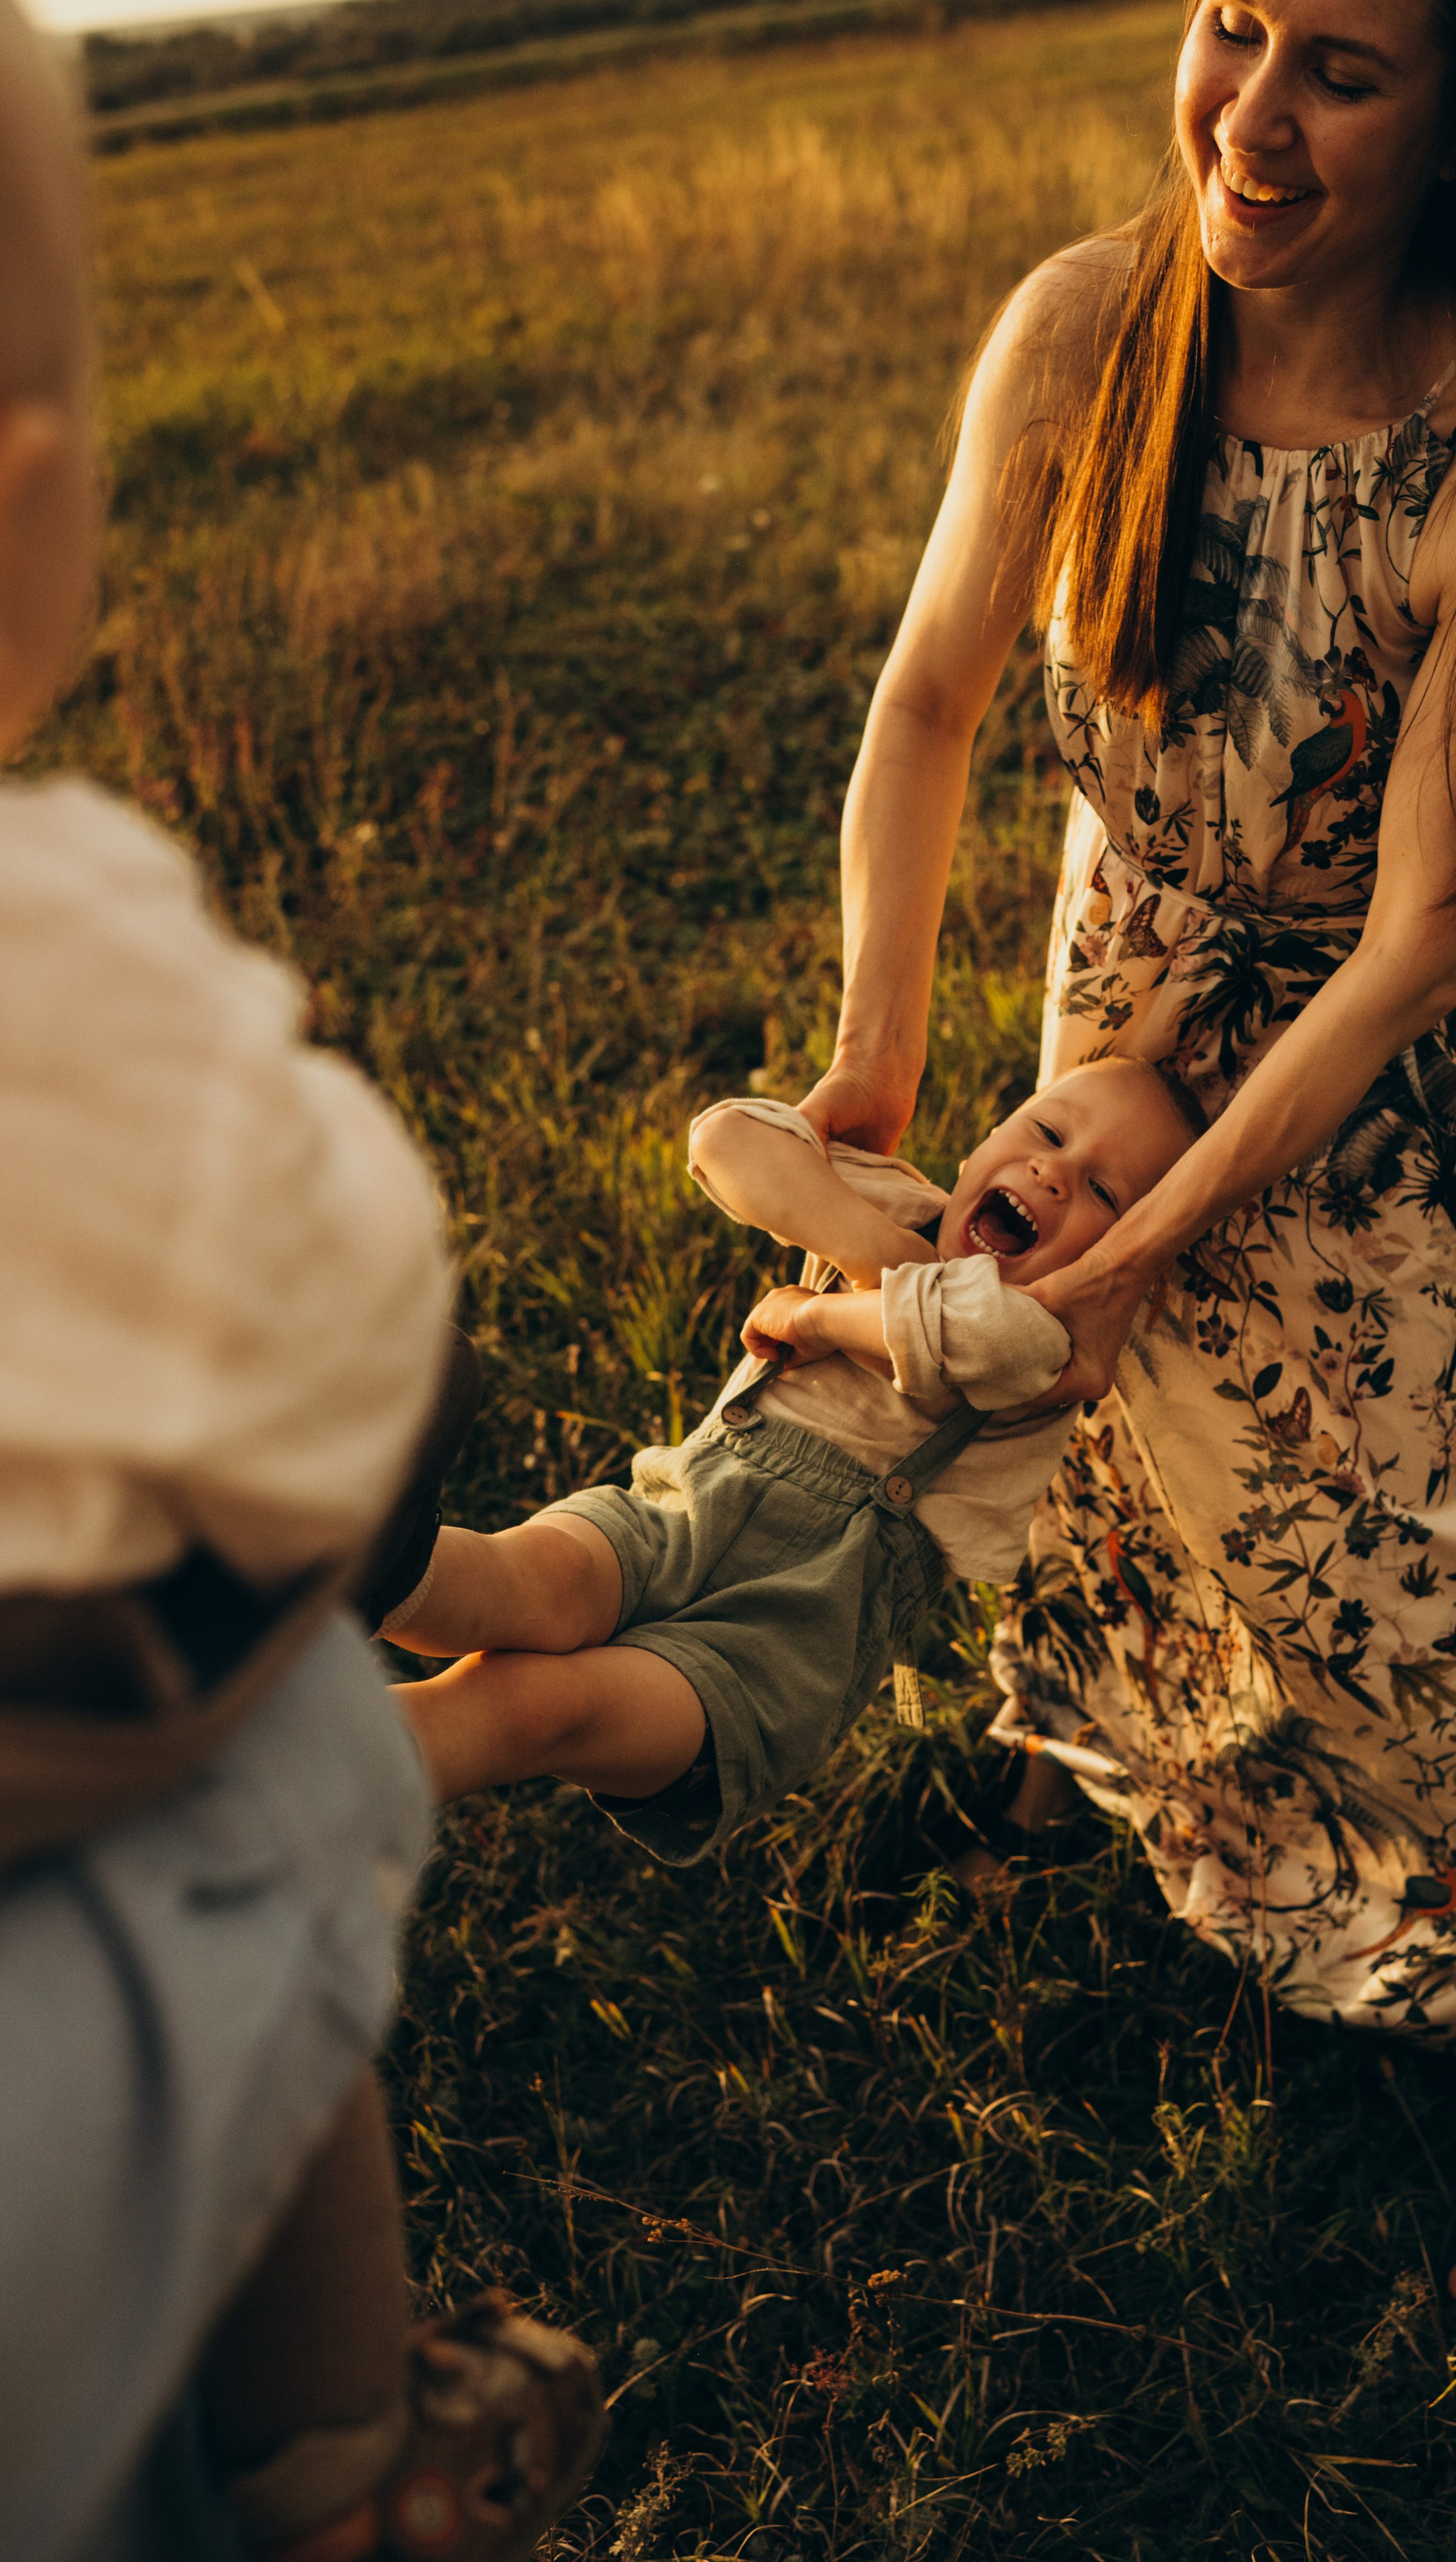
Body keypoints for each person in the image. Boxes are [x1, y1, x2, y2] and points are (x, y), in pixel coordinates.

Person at [795, 0, 1456, 2307]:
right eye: (1233, 26)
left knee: (1437, 1573)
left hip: (1379, 1085)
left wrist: (1155, 1250)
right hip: (1127, 992)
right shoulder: (1089, 329)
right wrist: (875, 1069)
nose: (1255, 117)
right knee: (1115, 1476)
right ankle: (1099, 1763)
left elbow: (1412, 944)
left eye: (1347, 69)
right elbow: (926, 701)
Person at [0, 9, 603, 2555]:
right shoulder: (57, 945)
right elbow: (362, 1311)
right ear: (22, 479)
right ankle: (355, 2482)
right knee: (272, 1754)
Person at [386, 1063, 1197, 1853]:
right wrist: (882, 1251)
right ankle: (362, 1559)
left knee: (536, 1707)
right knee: (529, 1579)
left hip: (781, 1644)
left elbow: (966, 1336)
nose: (1053, 1173)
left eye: (1103, 1193)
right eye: (1046, 1133)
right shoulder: (897, 1207)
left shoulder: (1046, 1343)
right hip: (678, 1515)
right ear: (985, 1141)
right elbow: (726, 1139)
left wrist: (818, 1321)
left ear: (1118, 1270)